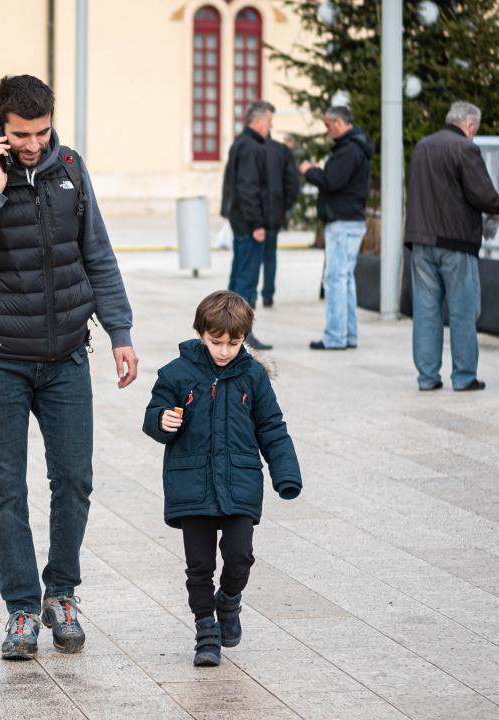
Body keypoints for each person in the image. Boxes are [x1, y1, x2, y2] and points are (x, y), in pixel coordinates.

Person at [0, 74, 138, 660]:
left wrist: (118, 331)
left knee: (74, 480)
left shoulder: (69, 167)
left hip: (67, 355)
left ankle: (63, 594)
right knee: (7, 489)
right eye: (22, 134)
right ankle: (22, 608)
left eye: (42, 132)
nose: (34, 145)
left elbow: (96, 251)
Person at [143, 290, 301, 667]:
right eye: (217, 342)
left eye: (235, 342)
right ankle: (205, 631)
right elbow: (154, 413)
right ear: (200, 333)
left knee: (240, 556)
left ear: (244, 338)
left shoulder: (253, 377)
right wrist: (162, 421)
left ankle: (228, 601)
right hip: (192, 485)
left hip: (239, 484)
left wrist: (286, 475)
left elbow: (272, 428)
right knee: (199, 566)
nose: (225, 350)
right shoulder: (176, 373)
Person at [404, 102, 499, 392]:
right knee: (462, 310)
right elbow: (486, 197)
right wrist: (496, 206)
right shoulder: (465, 148)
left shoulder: (422, 146)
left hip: (421, 240)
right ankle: (463, 377)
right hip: (456, 242)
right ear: (470, 125)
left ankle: (427, 378)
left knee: (425, 311)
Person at [300, 106, 375, 351]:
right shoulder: (356, 145)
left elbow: (332, 180)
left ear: (340, 123)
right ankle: (348, 334)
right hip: (350, 221)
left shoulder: (349, 149)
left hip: (343, 223)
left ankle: (335, 337)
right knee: (344, 279)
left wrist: (309, 171)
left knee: (334, 279)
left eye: (328, 125)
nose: (327, 129)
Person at [221, 101, 274, 349]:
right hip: (248, 223)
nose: (270, 126)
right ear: (256, 121)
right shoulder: (251, 147)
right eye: (268, 121)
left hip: (240, 220)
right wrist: (257, 224)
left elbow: (231, 183)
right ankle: (241, 335)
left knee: (239, 276)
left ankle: (227, 329)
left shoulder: (240, 143)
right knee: (246, 280)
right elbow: (248, 188)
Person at [261, 131, 302, 308]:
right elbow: (293, 184)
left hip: (255, 211)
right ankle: (268, 295)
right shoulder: (281, 150)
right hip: (275, 211)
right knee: (270, 255)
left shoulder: (248, 148)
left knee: (252, 257)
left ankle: (250, 298)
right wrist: (284, 205)